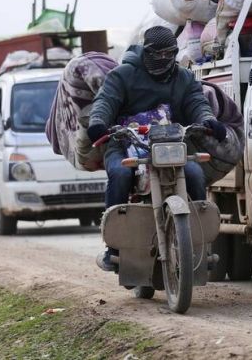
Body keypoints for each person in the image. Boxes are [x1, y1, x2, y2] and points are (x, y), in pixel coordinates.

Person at [87, 26, 227, 272]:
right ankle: (114, 248)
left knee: (194, 174)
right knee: (120, 174)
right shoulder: (123, 75)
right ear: (146, 51)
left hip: (170, 145)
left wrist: (207, 120)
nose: (163, 59)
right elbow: (105, 101)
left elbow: (197, 102)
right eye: (157, 54)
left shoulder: (183, 77)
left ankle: (200, 246)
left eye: (169, 54)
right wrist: (98, 123)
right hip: (125, 143)